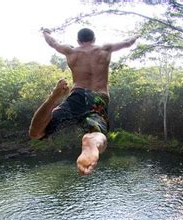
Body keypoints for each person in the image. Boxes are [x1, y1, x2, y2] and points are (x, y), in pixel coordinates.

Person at [29, 28, 138, 175]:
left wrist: (45, 32)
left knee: (36, 133)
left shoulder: (71, 51)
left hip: (77, 96)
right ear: (94, 39)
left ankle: (54, 97)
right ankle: (91, 143)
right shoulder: (105, 49)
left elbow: (53, 43)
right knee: (97, 133)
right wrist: (137, 34)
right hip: (98, 99)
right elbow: (127, 42)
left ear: (78, 40)